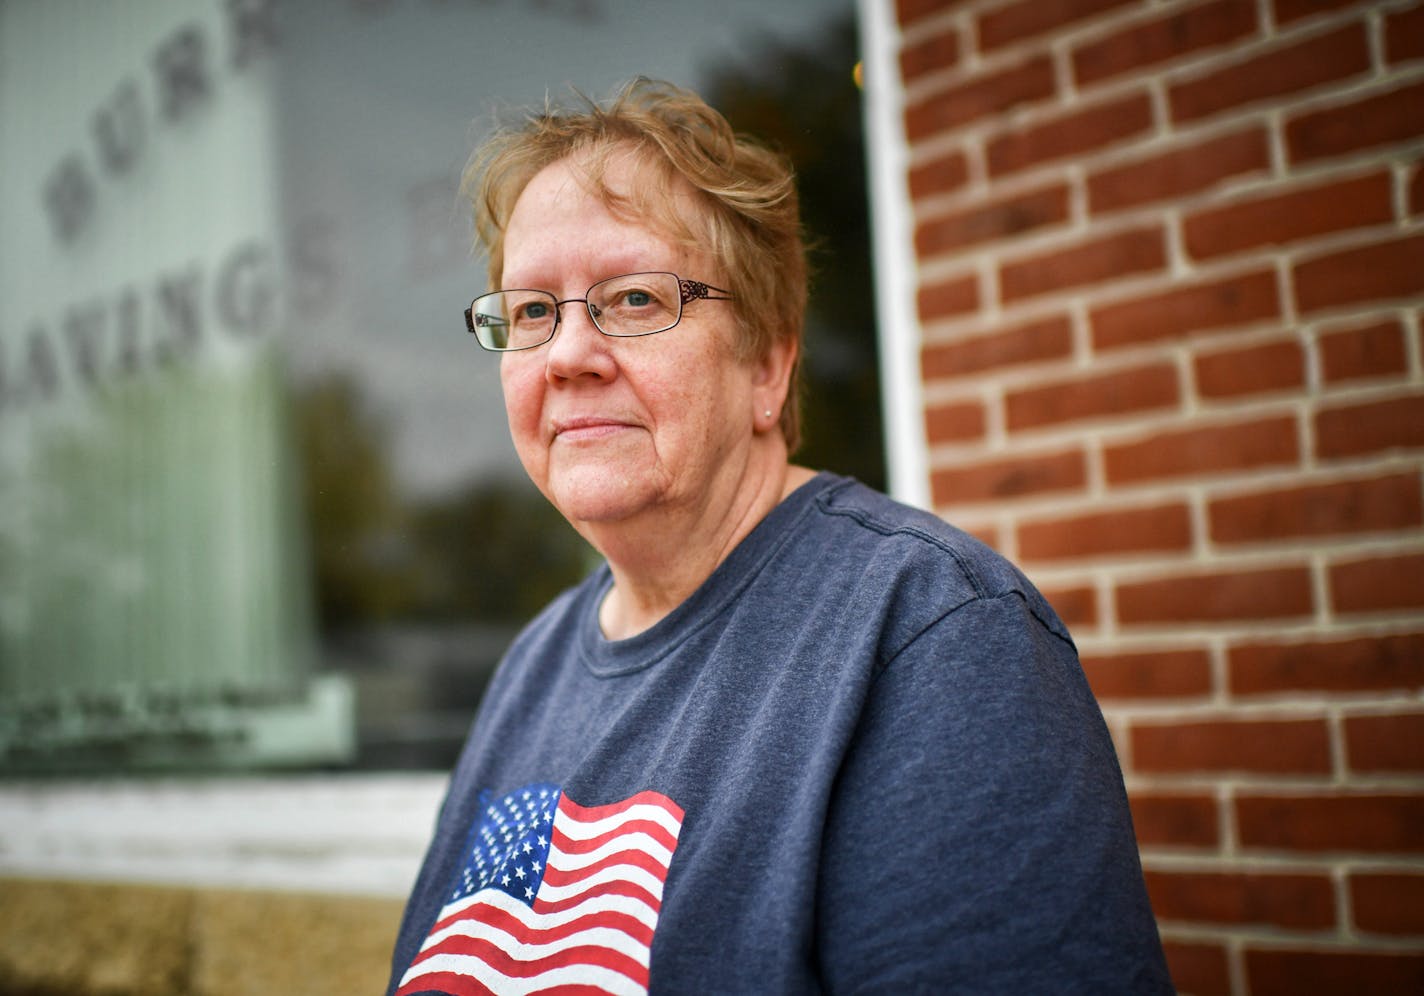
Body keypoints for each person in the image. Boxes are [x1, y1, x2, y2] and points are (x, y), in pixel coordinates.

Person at [387, 78, 1171, 995]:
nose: (566, 355)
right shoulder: (533, 667)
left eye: (635, 299)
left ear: (767, 361)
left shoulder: (935, 638)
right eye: (530, 312)